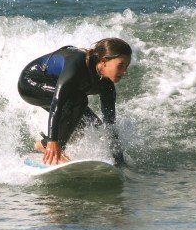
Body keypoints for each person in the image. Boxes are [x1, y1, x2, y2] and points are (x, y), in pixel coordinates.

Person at [17, 38, 131, 166]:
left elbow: (109, 124)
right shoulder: (77, 64)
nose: (125, 72)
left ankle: (41, 145)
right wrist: (53, 141)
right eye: (120, 66)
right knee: (79, 100)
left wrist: (119, 162)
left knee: (93, 125)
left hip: (61, 93)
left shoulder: (107, 87)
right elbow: (58, 103)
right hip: (30, 83)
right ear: (104, 61)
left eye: (126, 66)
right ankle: (55, 148)